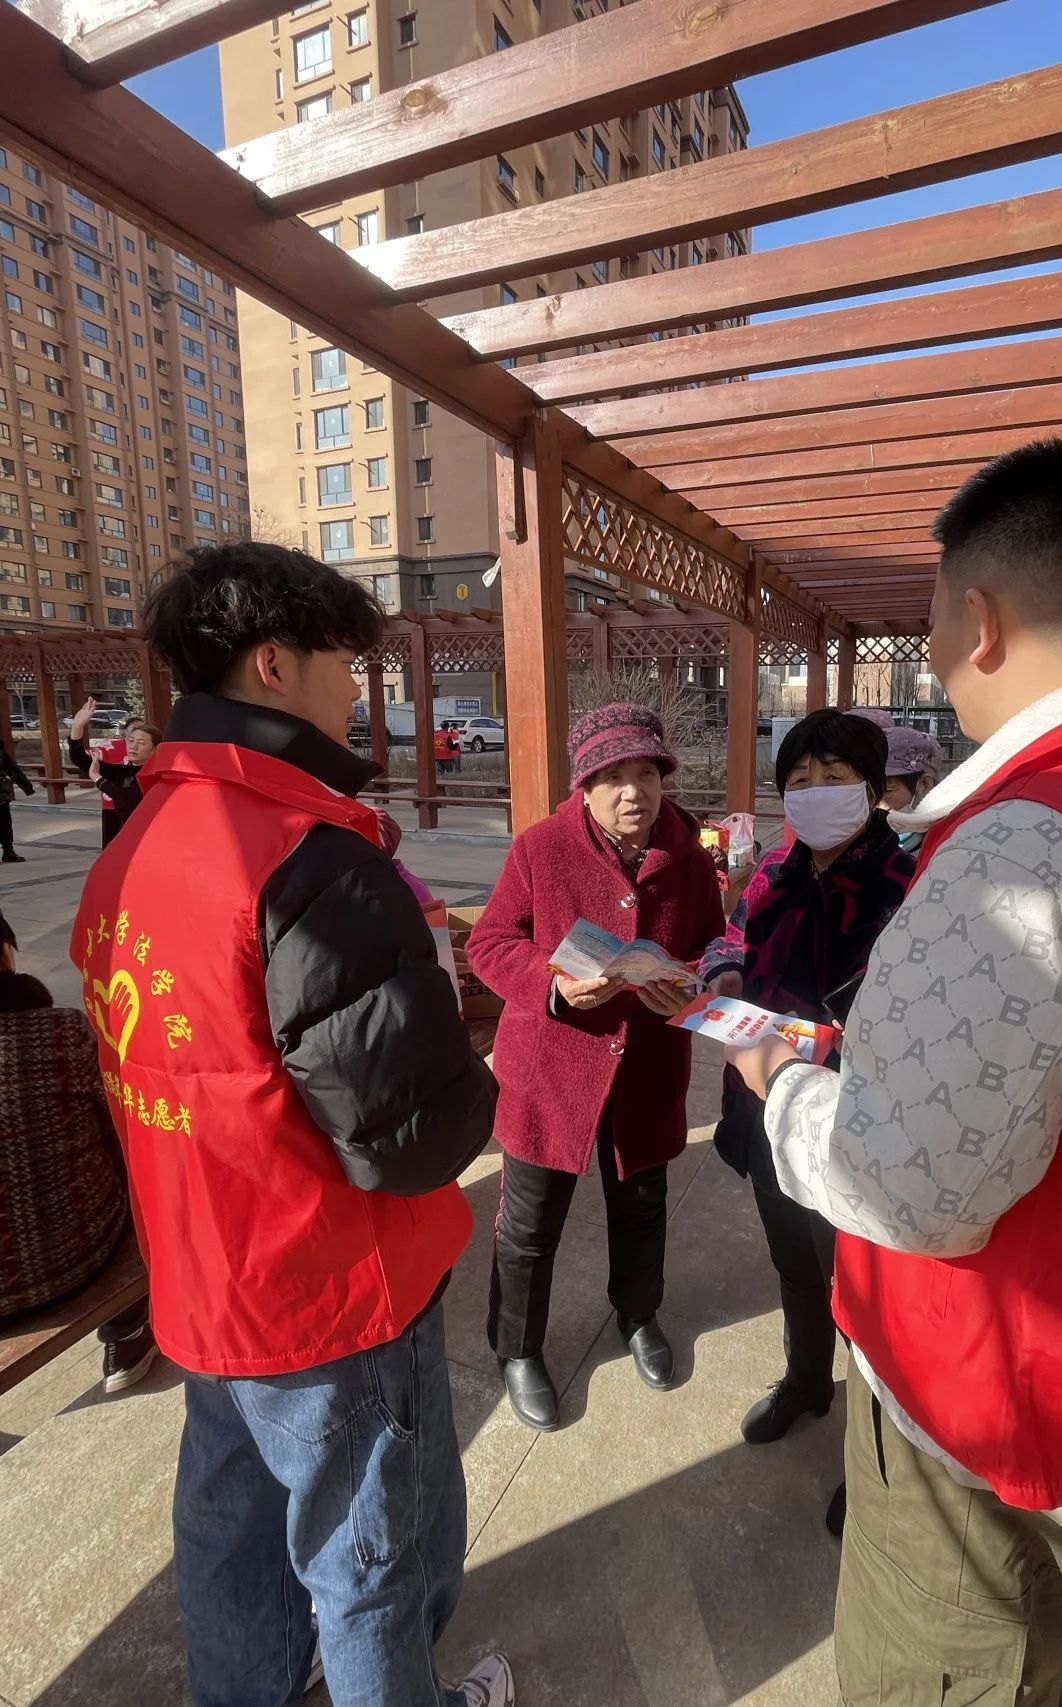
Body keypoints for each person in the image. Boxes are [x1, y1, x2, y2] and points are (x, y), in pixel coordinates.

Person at [729, 438, 1062, 1707]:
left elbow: (907, 1186)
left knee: (956, 1667)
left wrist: (776, 1086)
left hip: (984, 1397)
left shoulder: (1024, 843)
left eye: (931, 626)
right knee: (1047, 1650)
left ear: (980, 619)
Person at [71, 542, 512, 1707]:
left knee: (231, 1550)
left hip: (203, 1277)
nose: (355, 689)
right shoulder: (303, 854)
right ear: (274, 664)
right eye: (343, 662)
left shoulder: (130, 845)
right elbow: (411, 1132)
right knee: (371, 1568)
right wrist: (482, 1056)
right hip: (330, 1291)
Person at [467, 703, 724, 1431]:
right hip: (551, 1069)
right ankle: (518, 1347)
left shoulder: (689, 855)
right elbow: (490, 942)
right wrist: (551, 986)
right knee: (529, 1223)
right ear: (583, 786)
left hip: (646, 1067)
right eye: (612, 777)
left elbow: (713, 943)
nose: (632, 792)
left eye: (646, 773)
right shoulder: (541, 848)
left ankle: (638, 1315)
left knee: (641, 1206)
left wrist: (696, 980)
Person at [698, 710, 915, 1521]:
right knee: (795, 1261)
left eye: (834, 776)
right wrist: (722, 979)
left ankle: (874, 1455)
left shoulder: (908, 882)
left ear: (871, 785)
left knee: (866, 1296)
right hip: (766, 1106)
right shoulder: (771, 870)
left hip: (858, 1123)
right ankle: (804, 1381)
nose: (816, 792)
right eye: (799, 780)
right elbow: (727, 939)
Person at [0, 908, 155, 1391]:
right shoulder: (62, 1032)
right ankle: (127, 1331)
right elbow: (120, 1133)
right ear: (5, 956)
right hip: (77, 1255)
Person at [67, 703, 162, 835]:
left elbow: (127, 798)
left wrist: (98, 779)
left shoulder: (158, 775)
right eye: (131, 741)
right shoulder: (121, 771)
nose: (133, 746)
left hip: (149, 835)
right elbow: (79, 758)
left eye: (141, 743)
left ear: (155, 749)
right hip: (123, 833)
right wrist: (77, 726)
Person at [878, 727, 943, 853]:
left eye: (887, 790)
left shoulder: (947, 843)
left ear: (924, 784)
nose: (873, 804)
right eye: (867, 791)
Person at [1, 740, 35, 863]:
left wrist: (27, 787)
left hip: (1, 795)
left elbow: (12, 768)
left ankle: (8, 851)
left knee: (4, 824)